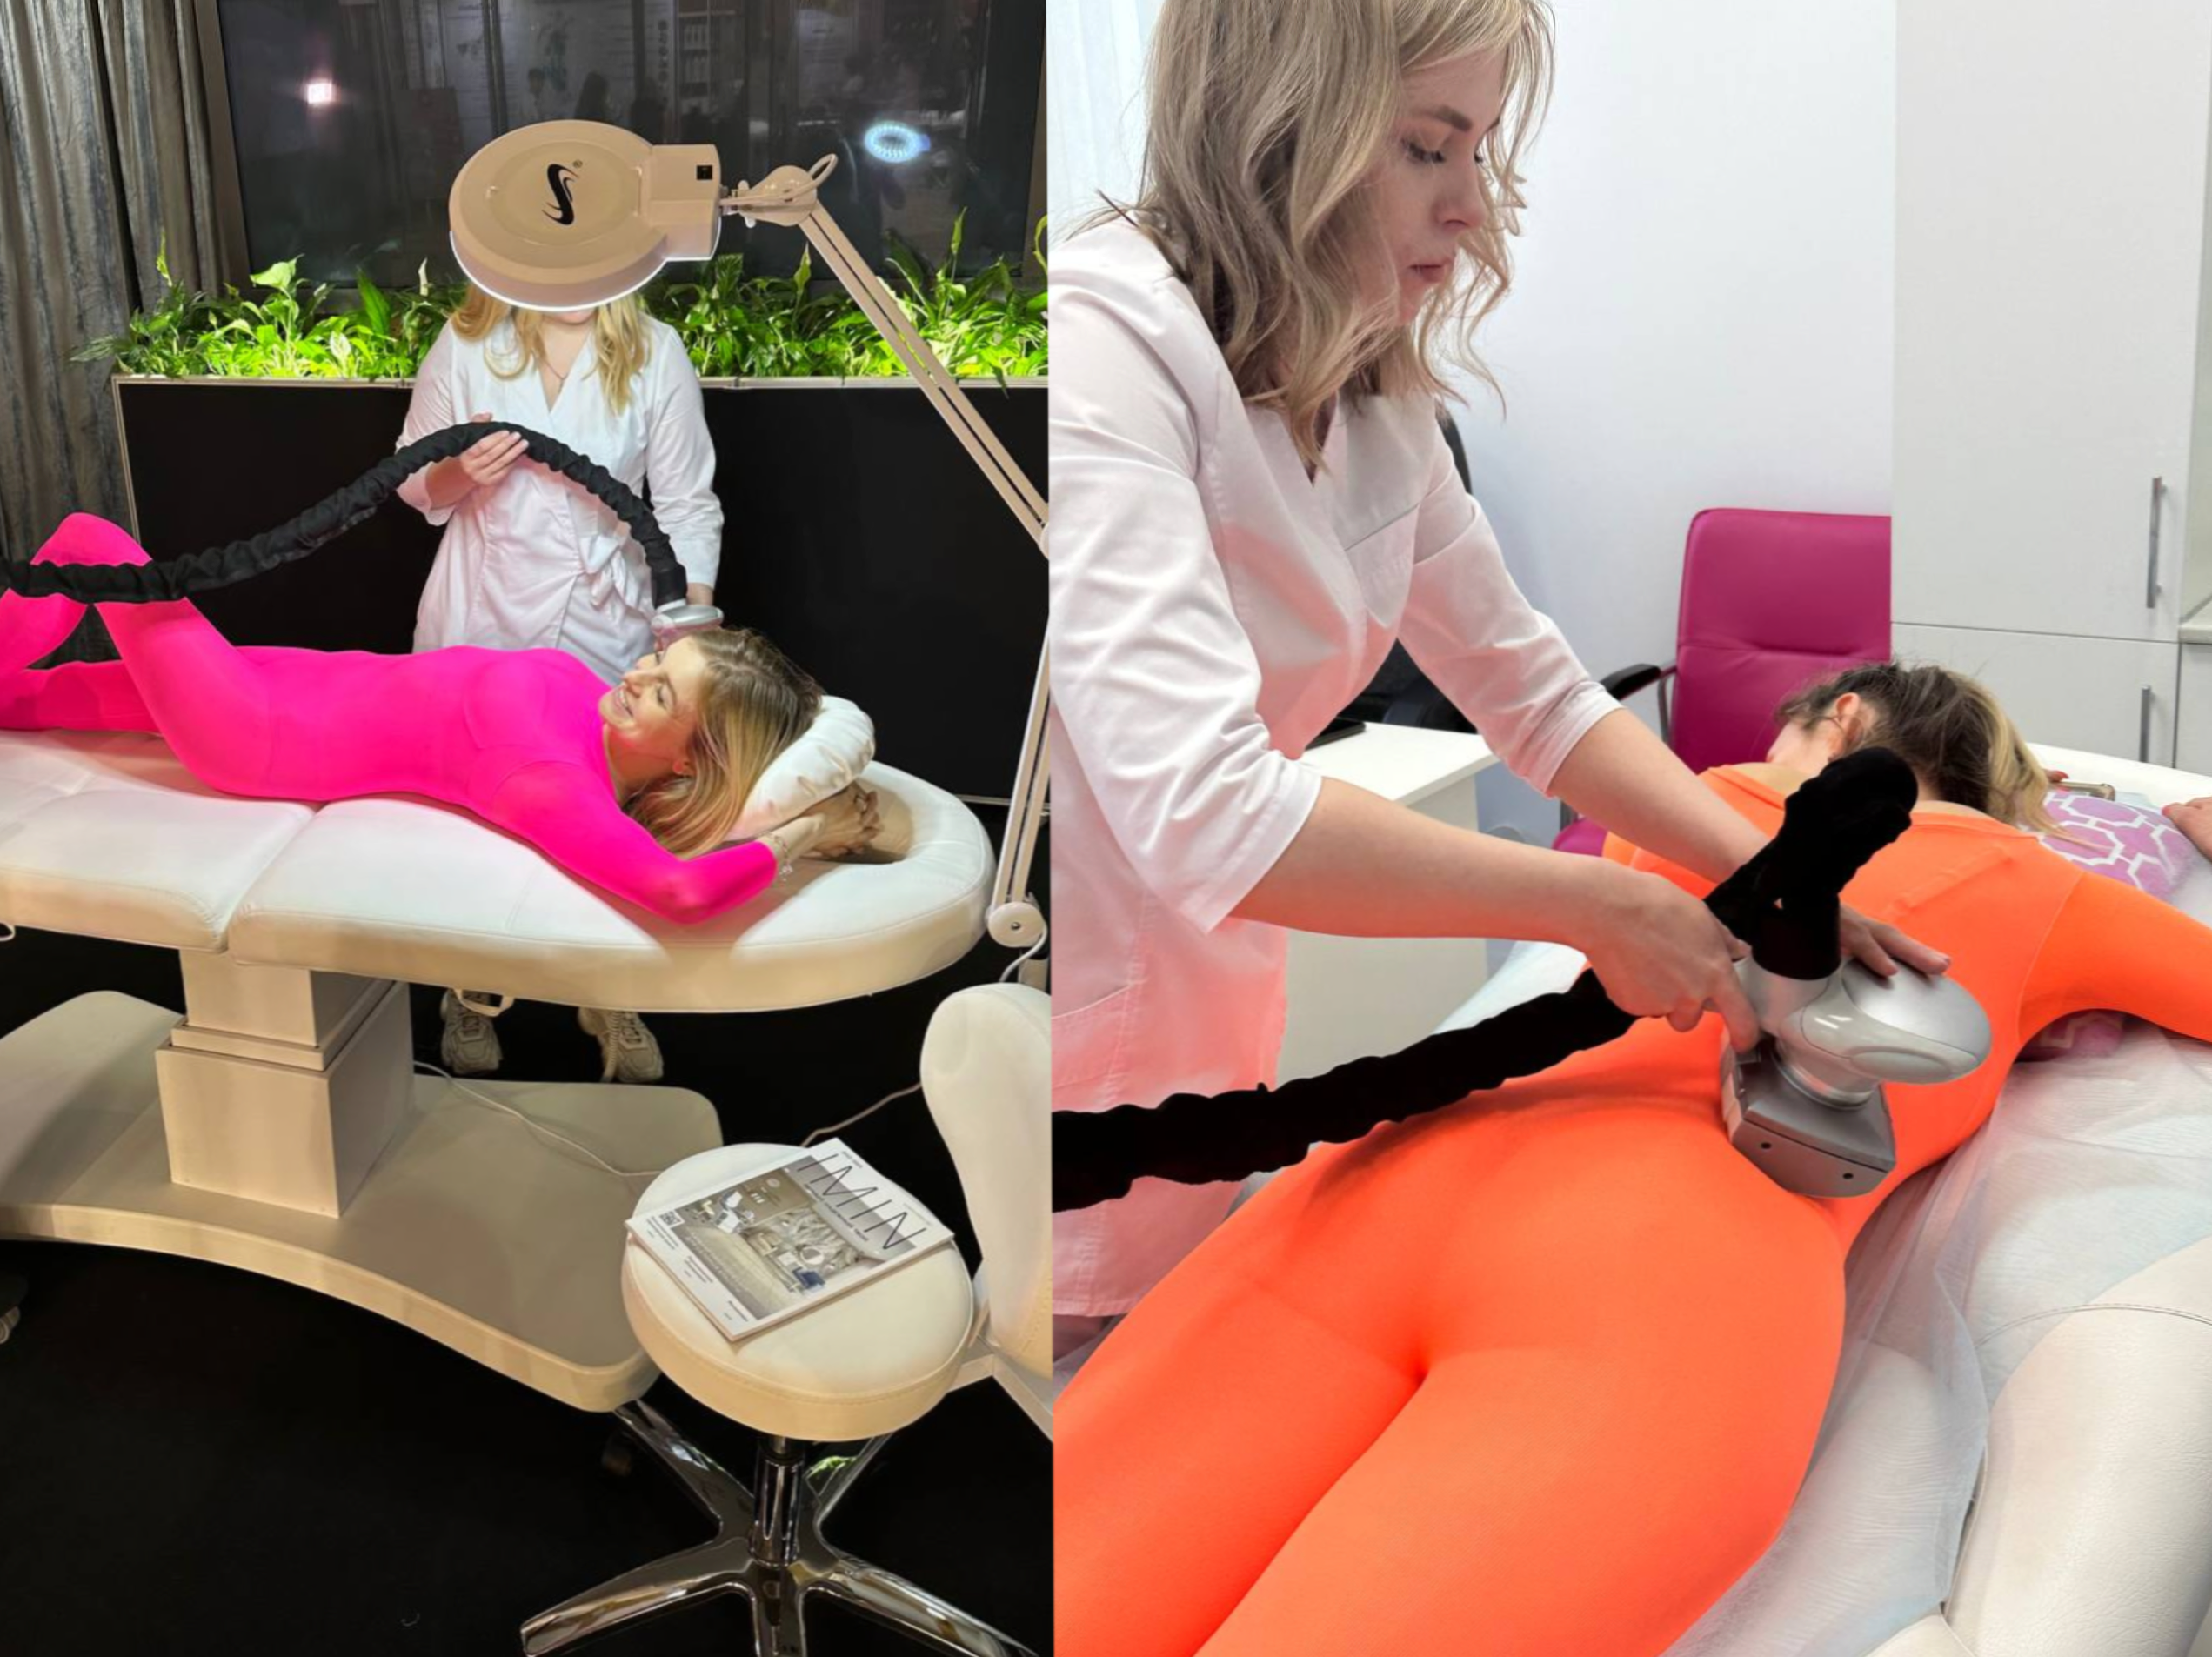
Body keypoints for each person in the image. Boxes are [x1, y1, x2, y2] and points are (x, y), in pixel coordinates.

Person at [1047, 0, 1944, 1349]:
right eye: (1425, 147)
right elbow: (1207, 811)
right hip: (1078, 1011)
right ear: (1277, 131)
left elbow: (1535, 691)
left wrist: (1768, 876)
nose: (1469, 207)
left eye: (1475, 152)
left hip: (1207, 998)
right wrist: (1595, 906)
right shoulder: (1106, 355)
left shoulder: (1370, 386)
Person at [1054, 660, 2212, 1657]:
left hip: (1384, 1179)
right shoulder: (2043, 886)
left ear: (1842, 719)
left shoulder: (1683, 801)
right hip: (1675, 1269)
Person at [0, 514, 878, 924]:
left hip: (250, 732)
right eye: (656, 662)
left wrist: (805, 829)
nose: (636, 675)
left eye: (659, 695)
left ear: (687, 761)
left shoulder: (552, 783)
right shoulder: (589, 698)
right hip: (275, 675)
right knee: (29, 698)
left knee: (90, 544)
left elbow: (679, 892)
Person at [398, 284, 723, 1080]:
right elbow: (412, 482)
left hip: (602, 618)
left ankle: (607, 984)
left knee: (603, 807)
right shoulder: (465, 341)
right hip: (479, 609)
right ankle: (471, 984)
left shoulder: (654, 350)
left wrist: (686, 631)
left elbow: (686, 503)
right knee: (473, 809)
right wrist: (459, 472)